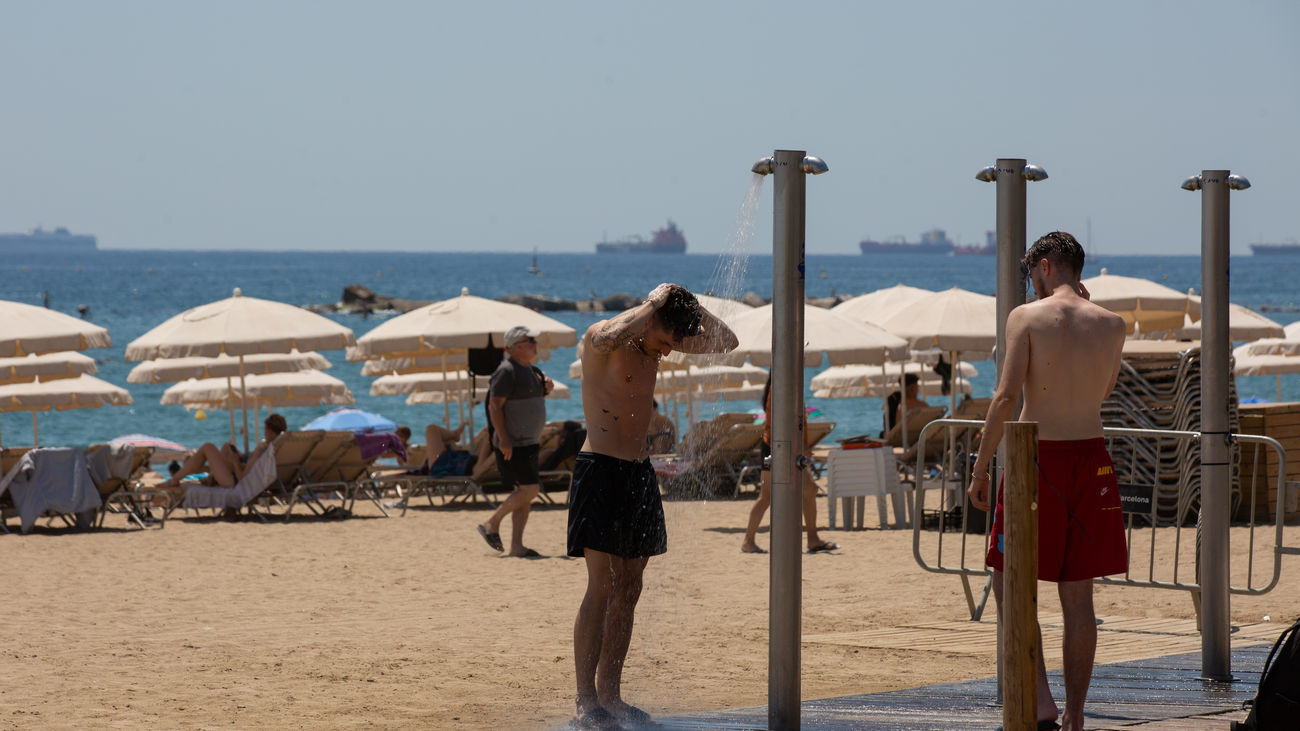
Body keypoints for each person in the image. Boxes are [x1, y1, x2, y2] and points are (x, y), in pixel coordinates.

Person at [966, 231, 1128, 731]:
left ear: (1042, 266)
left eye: (1030, 274)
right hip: (1093, 457)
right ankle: (1077, 715)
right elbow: (1103, 389)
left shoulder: (1026, 317)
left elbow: (1005, 397)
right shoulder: (1112, 324)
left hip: (1037, 459)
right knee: (1079, 598)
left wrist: (981, 464)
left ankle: (1040, 703)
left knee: (1008, 581)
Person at [569, 283, 737, 730]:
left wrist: (687, 304)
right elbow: (607, 337)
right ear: (649, 320)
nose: (667, 353)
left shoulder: (657, 341)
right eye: (664, 341)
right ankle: (586, 700)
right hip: (599, 468)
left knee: (631, 587)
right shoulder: (602, 338)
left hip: (638, 473)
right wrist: (653, 302)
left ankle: (612, 695)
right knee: (601, 585)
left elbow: (727, 341)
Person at [475, 325, 554, 558]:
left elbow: (532, 397)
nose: (535, 345)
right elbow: (494, 406)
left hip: (528, 440)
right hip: (514, 443)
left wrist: (546, 389)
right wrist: (504, 438)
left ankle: (517, 546)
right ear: (517, 346)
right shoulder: (506, 370)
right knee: (530, 490)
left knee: (523, 494)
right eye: (531, 341)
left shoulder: (531, 369)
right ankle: (492, 521)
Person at [740, 376, 839, 554]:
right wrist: (803, 446)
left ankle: (813, 538)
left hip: (785, 446)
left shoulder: (785, 386)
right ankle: (748, 540)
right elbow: (784, 423)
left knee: (808, 489)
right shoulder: (779, 388)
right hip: (776, 446)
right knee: (767, 497)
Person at [162, 413, 287, 489]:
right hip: (241, 476)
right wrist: (242, 457)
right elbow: (252, 468)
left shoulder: (261, 451)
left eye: (265, 429)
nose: (264, 431)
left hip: (235, 481)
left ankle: (174, 480)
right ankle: (210, 478)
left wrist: (235, 462)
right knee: (226, 447)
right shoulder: (274, 450)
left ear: (270, 432)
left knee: (207, 447)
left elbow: (243, 479)